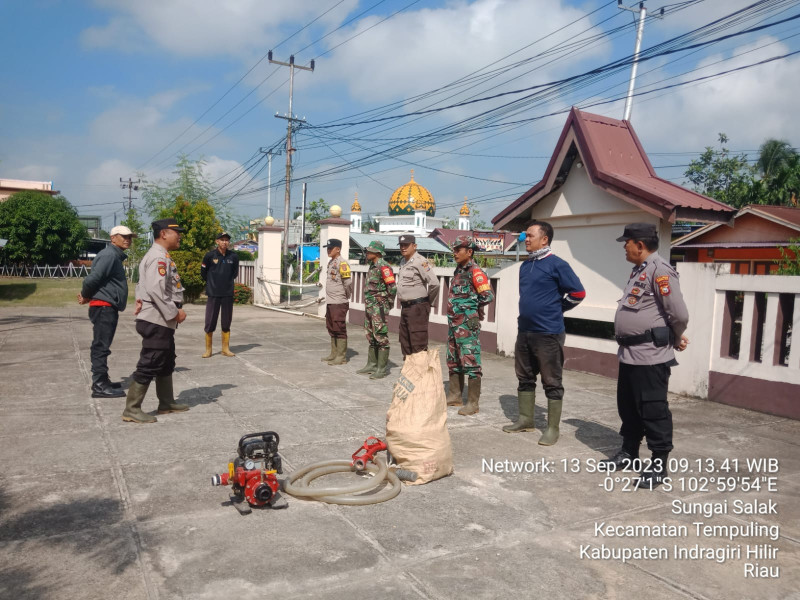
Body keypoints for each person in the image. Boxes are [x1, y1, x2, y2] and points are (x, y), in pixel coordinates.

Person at [602, 223, 689, 489]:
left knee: (653, 410)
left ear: (639, 245)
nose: (624, 248)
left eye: (626, 243)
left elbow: (679, 314)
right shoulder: (638, 271)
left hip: (651, 355)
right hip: (629, 354)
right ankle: (629, 453)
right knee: (628, 407)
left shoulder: (660, 271)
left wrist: (676, 336)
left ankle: (659, 464)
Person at [503, 220, 585, 445]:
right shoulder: (525, 266)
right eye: (525, 236)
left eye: (530, 235)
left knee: (551, 380)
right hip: (525, 331)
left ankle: (552, 428)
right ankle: (525, 419)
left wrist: (557, 309)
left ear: (544, 239)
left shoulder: (557, 264)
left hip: (548, 332)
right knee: (525, 377)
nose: (525, 239)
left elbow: (578, 293)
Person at [123, 218, 190, 424]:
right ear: (163, 234)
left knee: (166, 359)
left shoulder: (161, 256)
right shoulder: (157, 258)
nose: (179, 236)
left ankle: (166, 402)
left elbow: (143, 284)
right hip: (157, 319)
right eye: (176, 232)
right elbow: (156, 289)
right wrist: (174, 312)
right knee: (150, 361)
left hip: (161, 319)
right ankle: (132, 409)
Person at [78, 225, 135, 398]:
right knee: (101, 346)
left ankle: (103, 379)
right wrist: (85, 294)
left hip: (106, 305)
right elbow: (92, 279)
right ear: (113, 238)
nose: (127, 239)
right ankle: (100, 385)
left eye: (129, 237)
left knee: (102, 345)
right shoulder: (110, 255)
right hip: (104, 307)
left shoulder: (113, 255)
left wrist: (87, 295)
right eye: (123, 236)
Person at [445, 235, 494, 416]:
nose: (455, 252)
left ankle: (473, 403)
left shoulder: (475, 272)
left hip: (466, 323)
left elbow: (487, 296)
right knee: (453, 359)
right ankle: (455, 395)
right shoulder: (458, 271)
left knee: (471, 360)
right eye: (454, 249)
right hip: (454, 323)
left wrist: (472, 308)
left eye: (459, 249)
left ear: (470, 251)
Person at [357, 240, 397, 379]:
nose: (367, 253)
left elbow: (392, 288)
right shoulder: (372, 266)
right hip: (370, 306)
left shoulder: (384, 267)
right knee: (370, 334)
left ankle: (381, 368)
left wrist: (385, 301)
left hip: (378, 307)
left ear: (378, 253)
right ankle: (372, 364)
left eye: (370, 251)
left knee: (380, 336)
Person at [396, 234, 440, 357]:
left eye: (406, 245)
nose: (403, 248)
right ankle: (409, 372)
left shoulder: (420, 261)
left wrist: (427, 302)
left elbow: (434, 284)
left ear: (414, 246)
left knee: (418, 341)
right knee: (405, 340)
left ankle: (420, 374)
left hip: (417, 307)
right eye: (401, 245)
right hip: (406, 307)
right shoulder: (403, 262)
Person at [200, 231, 239, 358]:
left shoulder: (233, 256)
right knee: (210, 320)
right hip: (213, 293)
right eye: (222, 240)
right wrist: (212, 283)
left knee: (226, 320)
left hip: (227, 292)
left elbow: (234, 273)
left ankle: (225, 348)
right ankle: (208, 350)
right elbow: (203, 273)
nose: (224, 242)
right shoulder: (210, 256)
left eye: (227, 240)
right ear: (217, 241)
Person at [319, 238, 353, 365]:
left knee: (339, 327)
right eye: (327, 248)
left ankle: (341, 356)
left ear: (338, 249)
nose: (328, 250)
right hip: (331, 301)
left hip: (339, 301)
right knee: (331, 327)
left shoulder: (342, 263)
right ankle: (334, 353)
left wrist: (346, 296)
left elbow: (348, 283)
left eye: (330, 248)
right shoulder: (331, 262)